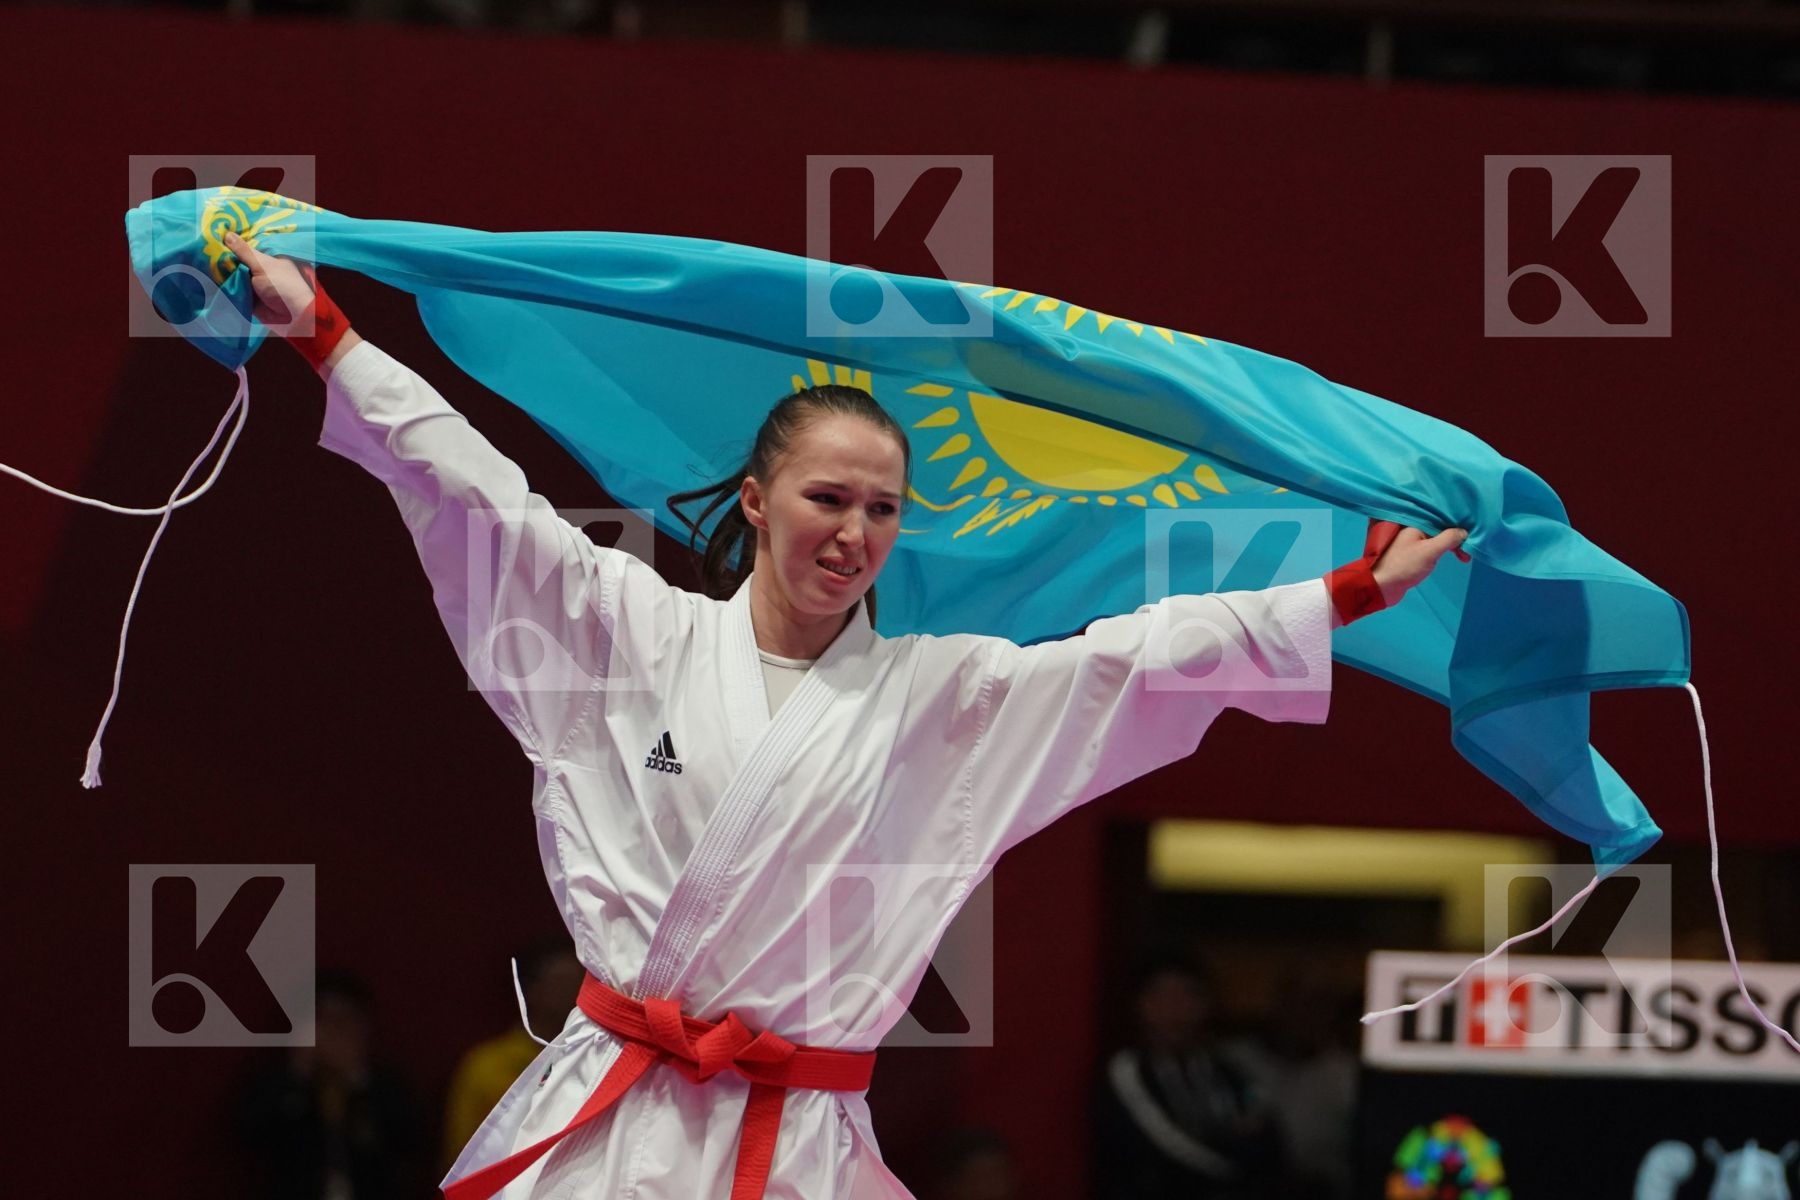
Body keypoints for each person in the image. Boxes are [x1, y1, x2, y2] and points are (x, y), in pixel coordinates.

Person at [220, 227, 1466, 1200]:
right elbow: (478, 498)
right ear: (757, 501)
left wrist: (1347, 593)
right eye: (830, 498)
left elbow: (1126, 666)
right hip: (605, 1119)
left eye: (883, 510)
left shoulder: (940, 698)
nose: (857, 533)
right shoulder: (633, 633)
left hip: (797, 1137)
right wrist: (329, 335)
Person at [1091, 958, 1283, 1200]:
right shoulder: (1126, 1073)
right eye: (1161, 997)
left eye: (1187, 996)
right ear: (1139, 1006)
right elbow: (1160, 1148)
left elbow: (1266, 1132)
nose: (1175, 1009)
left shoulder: (1231, 1075)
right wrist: (1235, 1157)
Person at [440, 937, 586, 1174]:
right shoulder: (486, 1066)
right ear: (532, 990)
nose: (573, 994)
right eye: (562, 983)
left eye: (578, 983)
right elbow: (459, 1156)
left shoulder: (593, 1058)